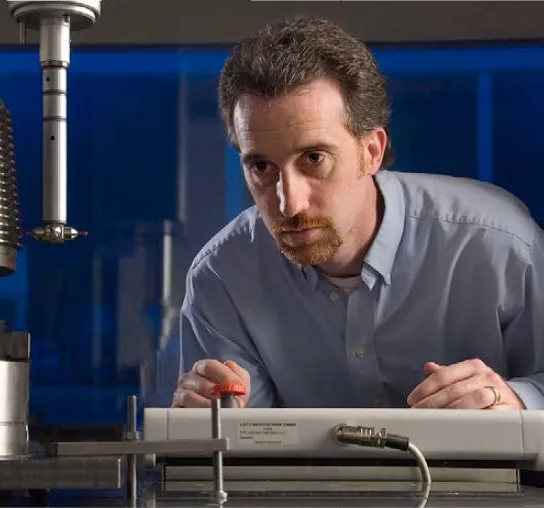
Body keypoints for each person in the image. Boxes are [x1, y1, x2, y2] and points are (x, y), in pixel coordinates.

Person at [173, 16, 544, 411]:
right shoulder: (221, 278)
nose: (289, 204)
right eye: (261, 167)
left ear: (372, 152)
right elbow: (238, 431)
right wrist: (208, 420)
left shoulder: (502, 247)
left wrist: (516, 402)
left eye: (314, 158)